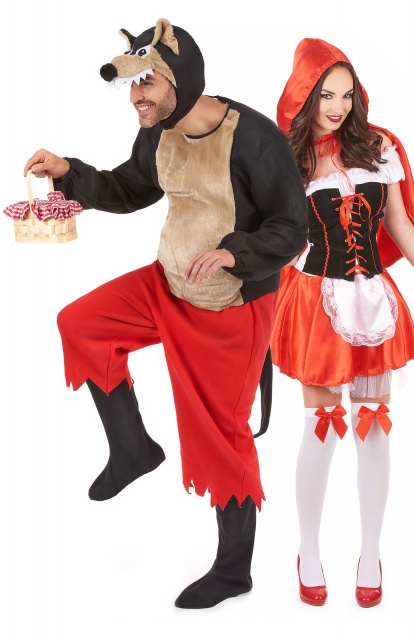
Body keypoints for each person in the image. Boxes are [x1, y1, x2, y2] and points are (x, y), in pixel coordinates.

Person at [24, 18, 307, 609]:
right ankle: (133, 449)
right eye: (132, 85)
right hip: (168, 282)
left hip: (230, 306)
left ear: (181, 77)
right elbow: (132, 189)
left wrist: (234, 253)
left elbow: (291, 227)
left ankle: (234, 569)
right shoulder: (158, 134)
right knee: (81, 325)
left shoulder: (254, 138)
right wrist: (70, 173)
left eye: (147, 82)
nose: (137, 96)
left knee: (220, 434)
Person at [271, 38, 414, 608]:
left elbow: (400, 225)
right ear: (303, 95)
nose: (337, 106)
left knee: (374, 426)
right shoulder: (288, 159)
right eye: (325, 95)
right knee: (320, 427)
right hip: (317, 300)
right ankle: (309, 550)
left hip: (375, 300)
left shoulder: (378, 146)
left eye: (346, 94)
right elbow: (273, 235)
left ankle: (369, 553)